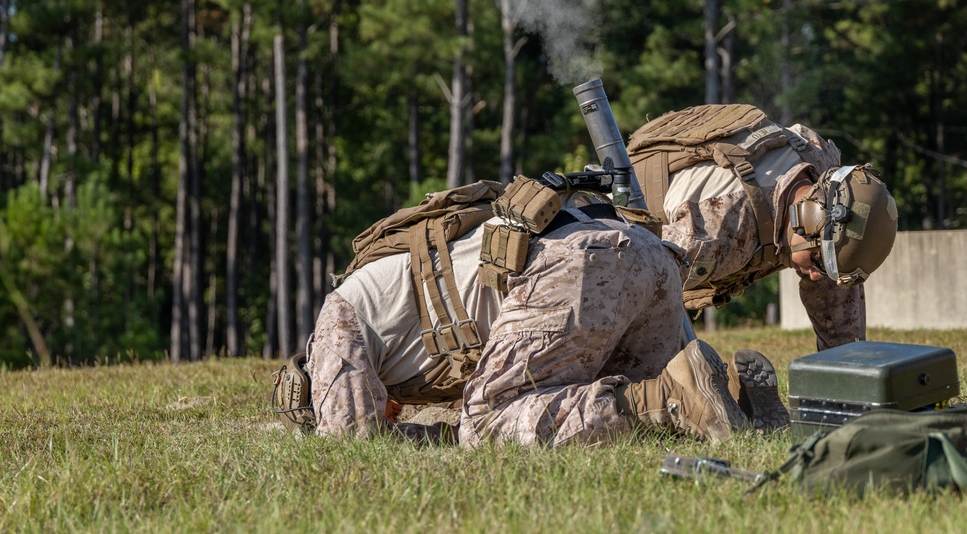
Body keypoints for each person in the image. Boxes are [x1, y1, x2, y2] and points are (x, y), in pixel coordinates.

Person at [274, 178, 787, 447]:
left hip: (572, 270)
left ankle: (668, 395)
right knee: (601, 399)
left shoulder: (335, 324)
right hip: (640, 251)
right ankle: (734, 398)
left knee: (489, 425)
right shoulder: (385, 309)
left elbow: (354, 439)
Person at [629, 109, 898, 351]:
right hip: (625, 238)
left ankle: (845, 368)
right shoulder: (716, 232)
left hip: (739, 220)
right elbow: (631, 281)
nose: (817, 276)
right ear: (806, 216)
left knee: (835, 257)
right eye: (818, 262)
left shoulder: (824, 171)